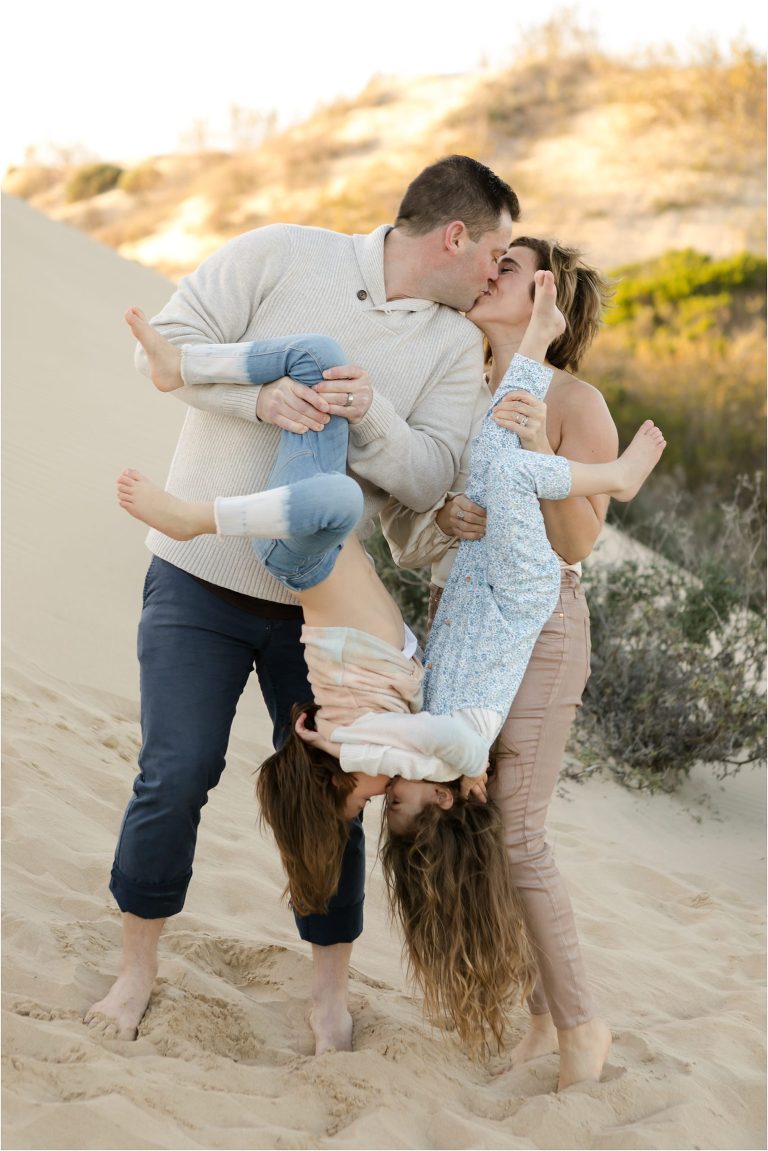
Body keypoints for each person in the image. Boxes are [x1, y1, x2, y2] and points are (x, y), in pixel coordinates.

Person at [113, 272, 665, 1055]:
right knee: (339, 380)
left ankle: (194, 488)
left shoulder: (388, 739)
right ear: (446, 799)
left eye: (376, 800)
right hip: (496, 590)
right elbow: (417, 538)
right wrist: (441, 514)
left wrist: (332, 744)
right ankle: (184, 380)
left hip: (354, 565)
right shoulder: (448, 741)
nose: (385, 793)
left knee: (347, 467)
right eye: (399, 802)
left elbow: (388, 750)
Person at [84, 155, 520, 1052]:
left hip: (316, 616)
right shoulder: (281, 252)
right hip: (195, 574)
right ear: (455, 235)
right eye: (496, 250)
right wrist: (259, 397)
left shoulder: (448, 346)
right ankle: (137, 968)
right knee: (176, 773)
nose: (494, 271)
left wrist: (372, 418)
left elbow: (434, 473)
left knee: (338, 800)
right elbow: (158, 347)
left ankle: (327, 992)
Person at [380, 236, 622, 1089]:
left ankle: (581, 1024)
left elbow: (579, 541)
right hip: (463, 627)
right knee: (474, 829)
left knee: (518, 830)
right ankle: (534, 1014)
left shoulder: (573, 399)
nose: (490, 275)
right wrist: (448, 513)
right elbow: (427, 514)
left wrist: (530, 462)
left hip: (543, 629)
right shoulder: (462, 386)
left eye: (509, 268)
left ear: (544, 295)